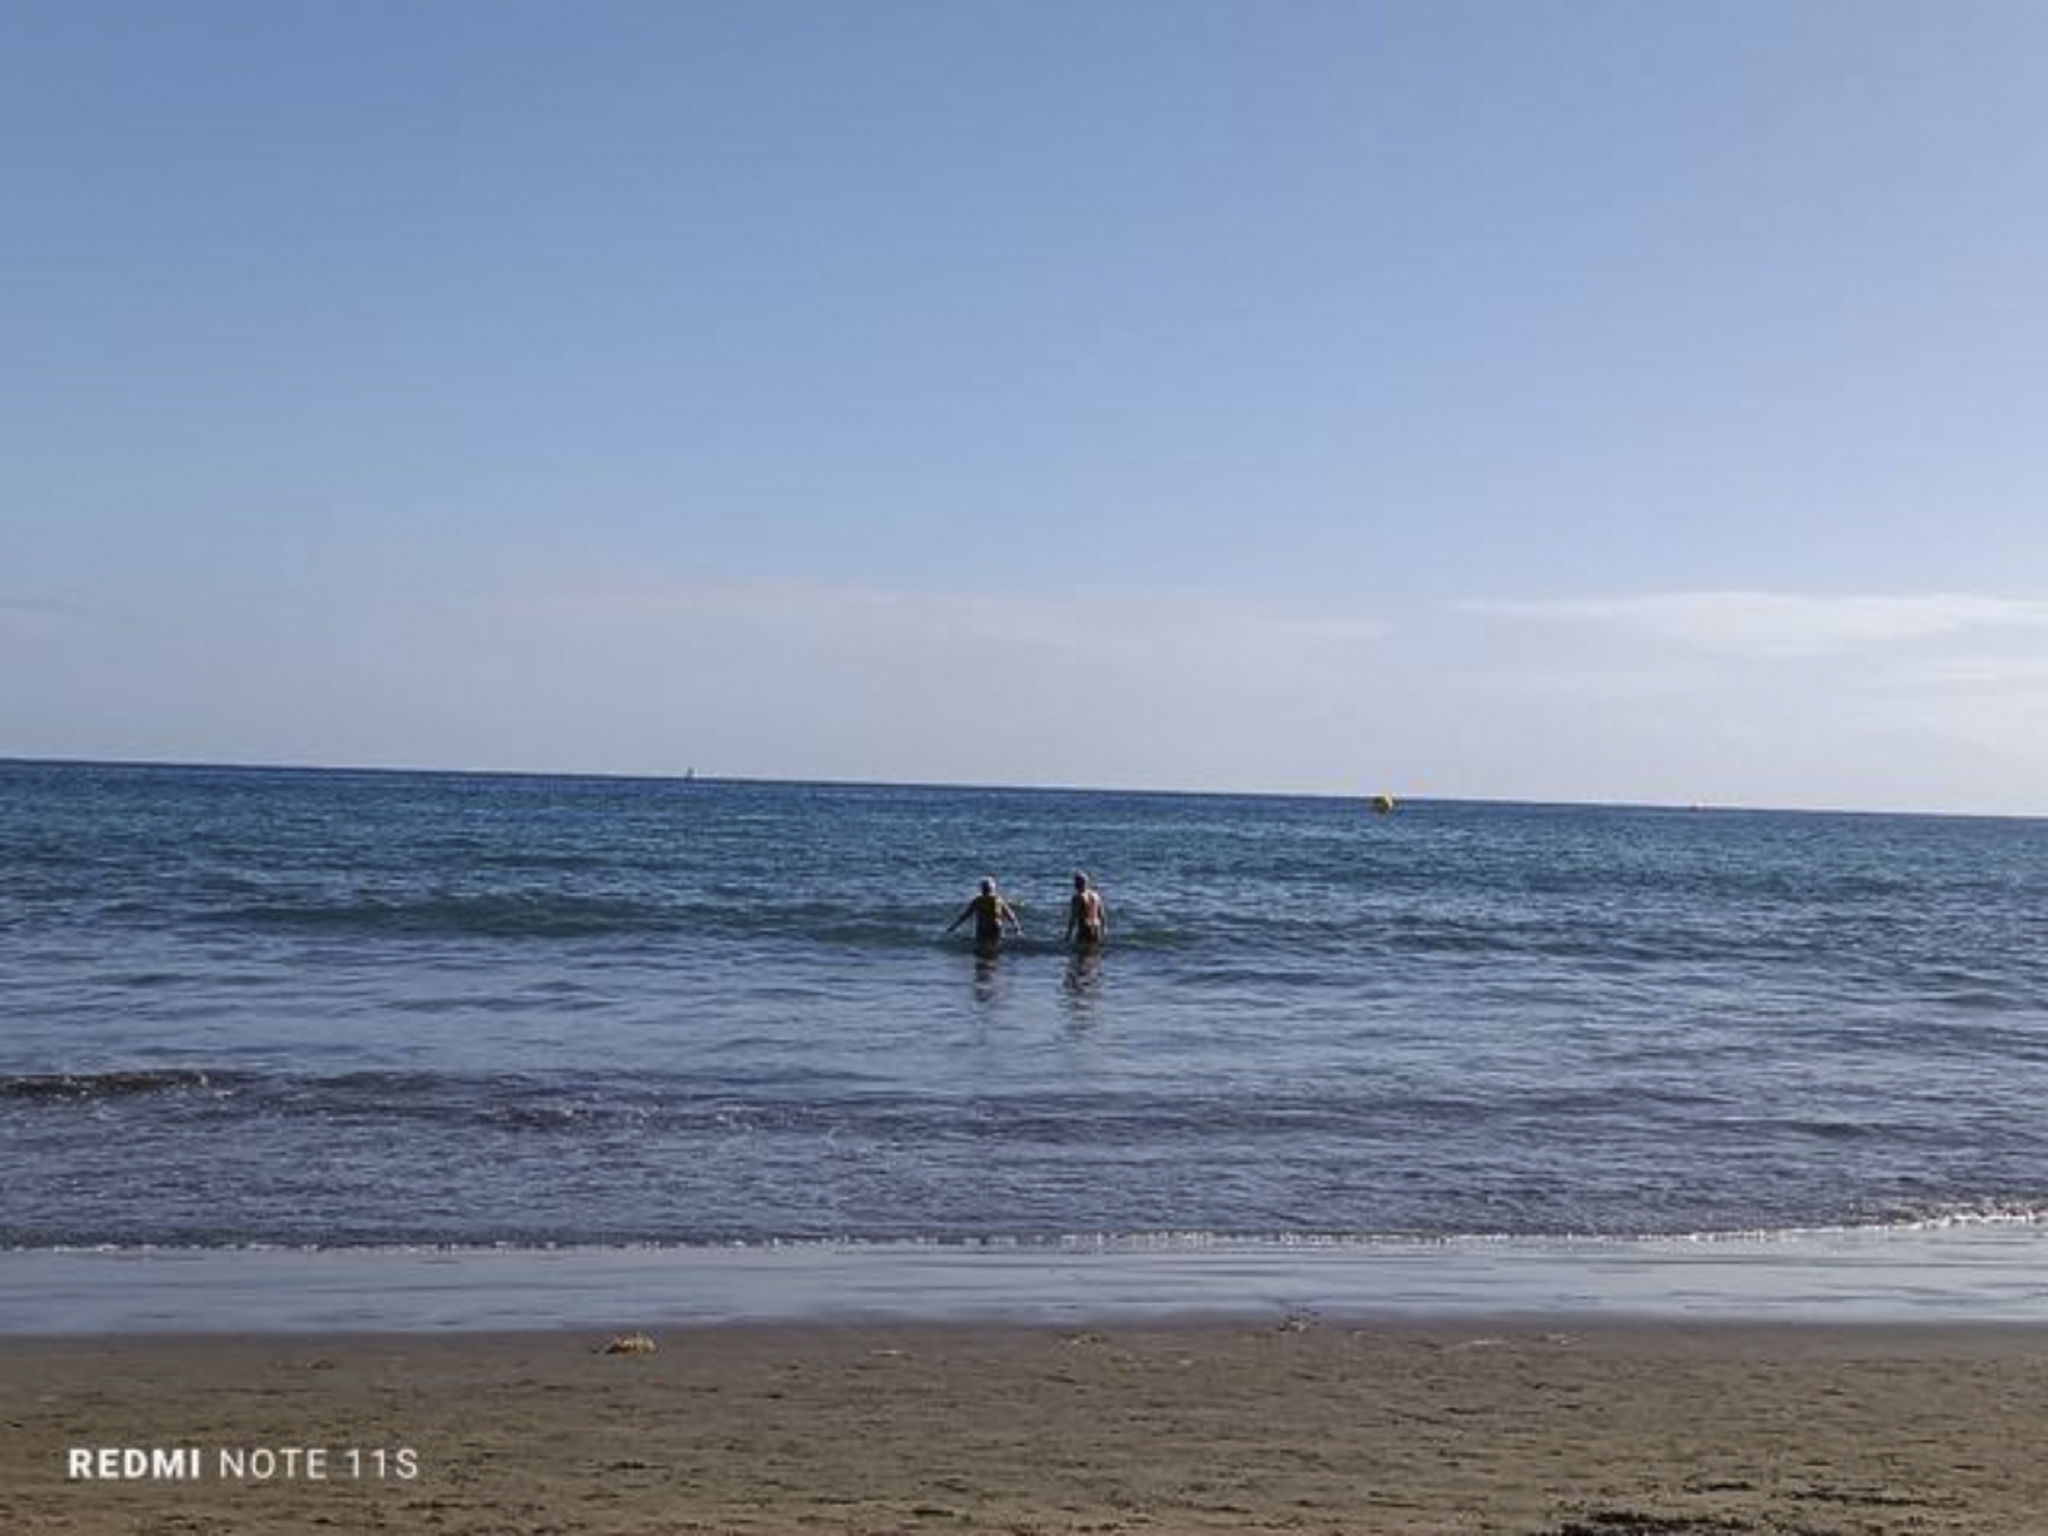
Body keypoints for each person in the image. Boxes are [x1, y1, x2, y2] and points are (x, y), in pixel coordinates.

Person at [946, 876, 1023, 953]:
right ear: (993, 889)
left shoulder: (978, 900)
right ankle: (992, 961)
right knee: (995, 947)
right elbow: (1010, 915)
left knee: (981, 948)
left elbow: (965, 915)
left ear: (982, 889)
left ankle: (984, 961)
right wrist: (1017, 928)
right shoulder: (998, 900)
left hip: (984, 927)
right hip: (994, 927)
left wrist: (953, 927)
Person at [1064, 870, 1106, 949]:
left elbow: (1073, 917)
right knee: (1095, 952)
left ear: (1077, 884)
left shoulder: (1077, 897)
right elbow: (1102, 915)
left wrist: (1068, 934)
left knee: (1080, 955)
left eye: (1075, 882)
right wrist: (1103, 929)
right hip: (1097, 926)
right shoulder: (1096, 895)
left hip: (1085, 927)